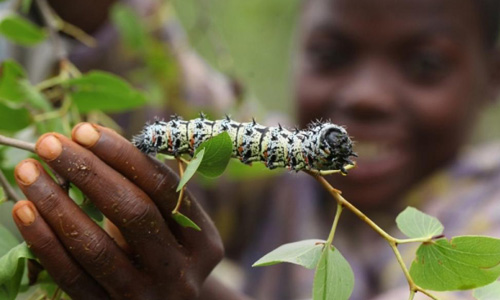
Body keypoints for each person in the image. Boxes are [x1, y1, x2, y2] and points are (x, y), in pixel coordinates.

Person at [10, 0, 500, 299]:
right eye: (330, 55)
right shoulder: (284, 184)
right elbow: (151, 71)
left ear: (492, 75)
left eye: (425, 64)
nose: (366, 95)